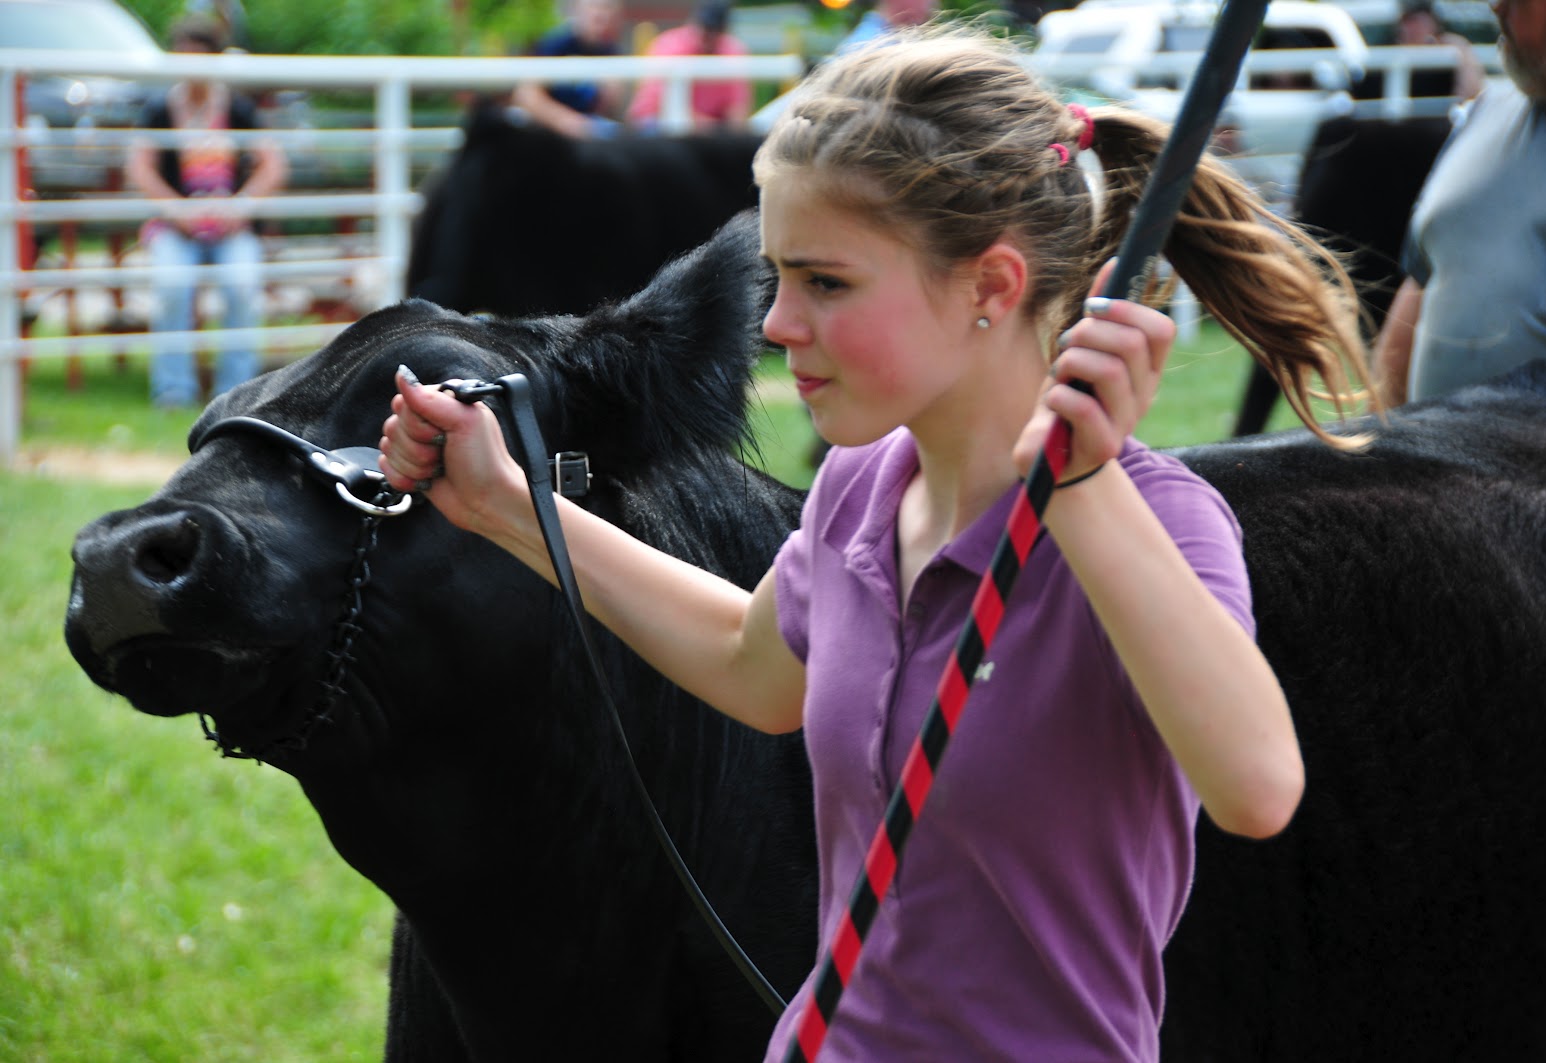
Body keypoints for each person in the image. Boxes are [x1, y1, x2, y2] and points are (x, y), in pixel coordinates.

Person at [380, 28, 1371, 1059]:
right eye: (778, 275)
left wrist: (1078, 489)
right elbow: (752, 666)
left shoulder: (1156, 524)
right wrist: (507, 504)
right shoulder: (862, 483)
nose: (776, 323)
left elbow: (1256, 787)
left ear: (989, 286)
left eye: (827, 282)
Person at [1373, 0, 1546, 423]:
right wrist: (1371, 449)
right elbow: (1422, 286)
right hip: (1428, 485)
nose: (1496, 6)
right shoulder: (1484, 114)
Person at [126, 12, 285, 408]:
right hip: (176, 228)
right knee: (171, 286)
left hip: (231, 228)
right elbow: (139, 166)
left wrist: (242, 206)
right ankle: (173, 391)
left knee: (241, 284)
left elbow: (273, 163)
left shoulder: (237, 108)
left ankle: (238, 392)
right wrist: (174, 208)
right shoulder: (160, 107)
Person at [627, 0, 752, 133]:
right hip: (655, 123)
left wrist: (729, 133)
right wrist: (707, 126)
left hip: (710, 131)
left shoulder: (732, 50)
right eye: (704, 27)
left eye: (713, 30)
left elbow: (737, 111)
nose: (706, 35)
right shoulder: (670, 45)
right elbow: (661, 104)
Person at [510, 0, 626, 139]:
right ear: (576, 9)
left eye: (607, 8)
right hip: (547, 129)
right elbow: (526, 96)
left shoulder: (610, 51)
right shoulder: (553, 45)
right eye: (595, 7)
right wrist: (567, 121)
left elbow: (608, 105)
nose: (602, 14)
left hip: (588, 130)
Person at [1397, 0, 1485, 100]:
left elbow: (1471, 90)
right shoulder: (1391, 54)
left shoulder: (1453, 46)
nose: (1411, 28)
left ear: (1433, 22)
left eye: (1416, 21)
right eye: (1407, 21)